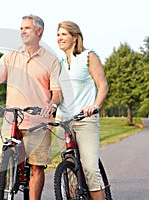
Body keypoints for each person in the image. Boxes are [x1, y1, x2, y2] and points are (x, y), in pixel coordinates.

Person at [0, 15, 62, 200]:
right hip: (11, 120)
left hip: (39, 121)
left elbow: (57, 92)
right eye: (21, 28)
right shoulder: (11, 56)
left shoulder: (51, 60)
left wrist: (52, 105)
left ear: (39, 32)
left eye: (27, 28)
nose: (22, 31)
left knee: (37, 167)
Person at [55, 21, 109, 200]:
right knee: (69, 169)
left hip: (85, 120)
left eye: (64, 34)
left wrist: (94, 106)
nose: (59, 38)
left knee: (90, 169)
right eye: (58, 35)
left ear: (75, 37)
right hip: (63, 120)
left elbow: (102, 86)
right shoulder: (59, 62)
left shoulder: (88, 56)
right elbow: (57, 92)